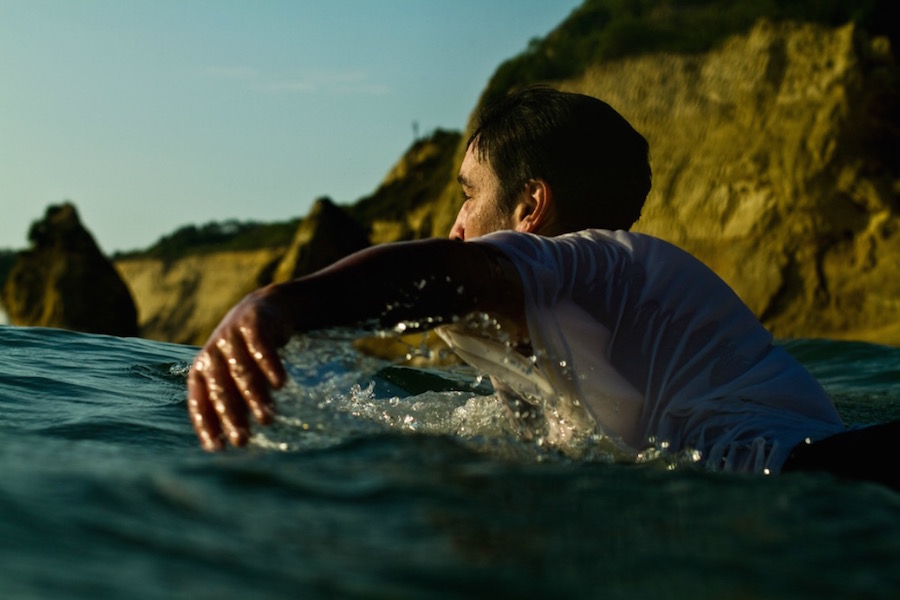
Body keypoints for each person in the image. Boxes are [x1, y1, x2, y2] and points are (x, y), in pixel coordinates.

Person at [187, 86, 897, 487]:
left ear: (530, 206)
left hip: (820, 475)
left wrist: (278, 304)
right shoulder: (577, 314)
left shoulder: (593, 260)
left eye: (469, 195)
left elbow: (443, 273)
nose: (457, 223)